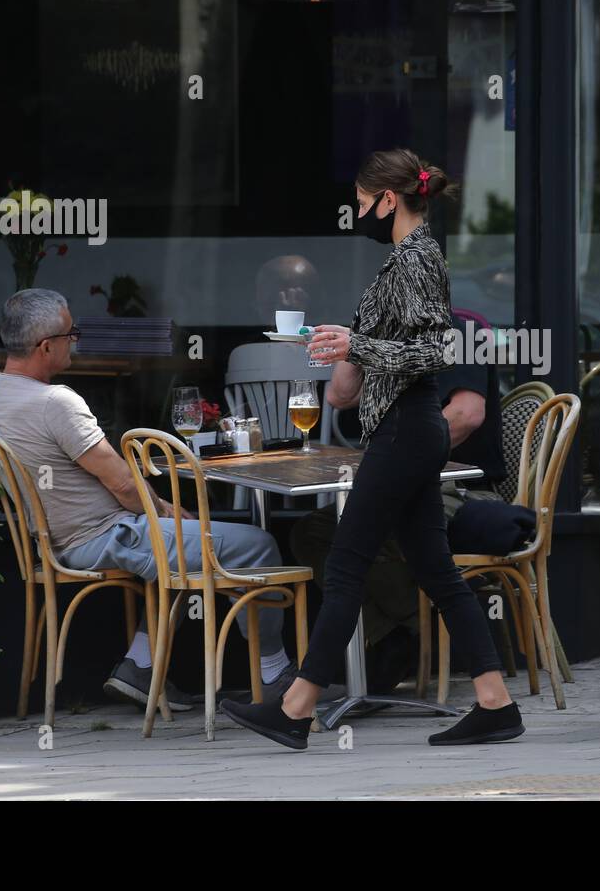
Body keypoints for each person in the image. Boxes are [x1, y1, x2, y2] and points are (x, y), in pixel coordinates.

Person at [221, 148, 521, 750]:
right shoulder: (403, 261)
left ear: (389, 199)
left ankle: (297, 706)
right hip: (403, 430)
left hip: (406, 432)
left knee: (346, 562)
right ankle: (496, 703)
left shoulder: (417, 260)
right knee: (435, 571)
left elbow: (437, 352)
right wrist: (345, 347)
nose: (357, 213)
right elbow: (381, 358)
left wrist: (359, 342)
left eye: (361, 203)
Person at [0, 289, 298, 711]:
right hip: (106, 537)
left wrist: (169, 521)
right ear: (45, 346)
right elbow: (124, 485)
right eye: (71, 334)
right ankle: (274, 675)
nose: (76, 340)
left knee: (179, 548)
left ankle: (140, 668)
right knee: (258, 545)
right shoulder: (55, 402)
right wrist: (167, 510)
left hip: (62, 542)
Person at [288, 311, 506, 694]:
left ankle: (302, 699)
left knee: (367, 543)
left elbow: (467, 415)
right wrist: (356, 339)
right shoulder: (389, 337)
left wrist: (403, 459)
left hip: (460, 485)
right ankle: (396, 633)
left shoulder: (459, 332)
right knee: (315, 531)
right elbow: (339, 397)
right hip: (409, 478)